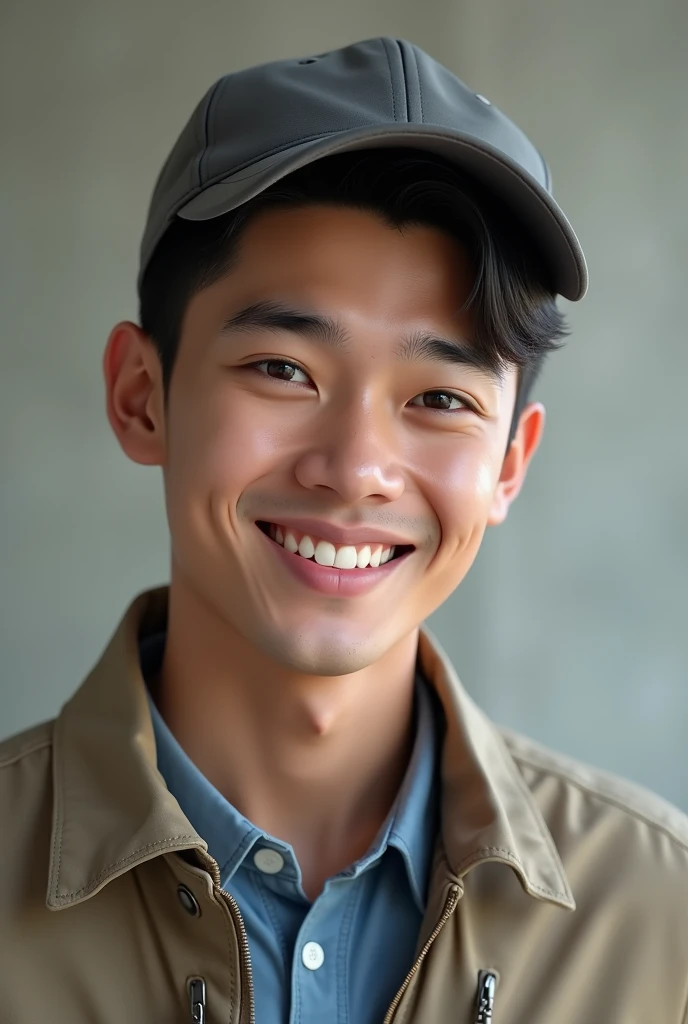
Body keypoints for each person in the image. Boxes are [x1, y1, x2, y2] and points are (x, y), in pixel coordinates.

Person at [1, 36, 686, 1024]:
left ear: (507, 463)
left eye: (439, 396)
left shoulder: (658, 923)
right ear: (141, 396)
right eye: (283, 369)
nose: (356, 467)